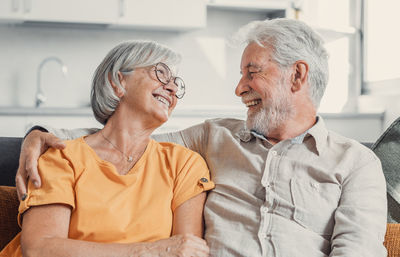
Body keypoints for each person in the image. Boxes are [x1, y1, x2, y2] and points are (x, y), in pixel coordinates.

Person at [15, 18, 387, 257]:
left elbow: (357, 251)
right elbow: (123, 137)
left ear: (297, 76)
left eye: (251, 72)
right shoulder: (212, 137)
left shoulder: (355, 163)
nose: (239, 87)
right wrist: (40, 135)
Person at [2, 40, 214, 257]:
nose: (172, 88)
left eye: (176, 82)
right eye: (160, 73)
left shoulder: (185, 165)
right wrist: (151, 251)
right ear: (118, 81)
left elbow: (188, 252)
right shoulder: (62, 157)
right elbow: (40, 249)